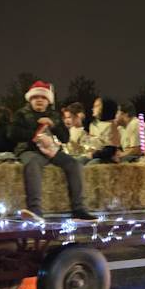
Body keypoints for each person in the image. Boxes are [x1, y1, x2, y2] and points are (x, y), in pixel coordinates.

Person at [8, 80, 96, 220]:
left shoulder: (53, 115)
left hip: (51, 151)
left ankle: (79, 209)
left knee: (74, 164)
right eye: (36, 97)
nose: (39, 100)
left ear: (48, 100)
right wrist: (34, 135)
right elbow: (12, 133)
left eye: (43, 98)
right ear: (30, 99)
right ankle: (35, 210)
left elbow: (65, 138)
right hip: (29, 150)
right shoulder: (21, 114)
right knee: (33, 164)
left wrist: (53, 125)